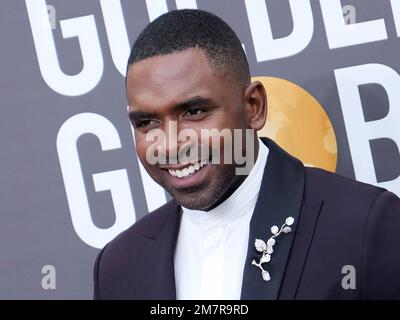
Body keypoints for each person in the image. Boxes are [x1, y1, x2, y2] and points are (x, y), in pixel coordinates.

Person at [93, 9, 400, 300]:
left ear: (254, 107)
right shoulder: (118, 266)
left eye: (195, 111)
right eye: (147, 122)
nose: (171, 144)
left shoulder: (365, 224)